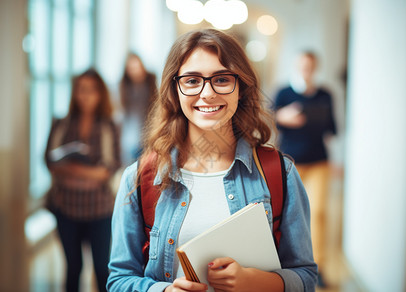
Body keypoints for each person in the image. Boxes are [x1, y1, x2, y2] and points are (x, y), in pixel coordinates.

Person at [107, 29, 317, 292]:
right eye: (192, 81)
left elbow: (306, 278)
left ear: (240, 87)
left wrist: (256, 282)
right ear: (175, 90)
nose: (207, 93)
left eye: (221, 79)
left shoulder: (280, 173)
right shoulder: (140, 178)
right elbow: (118, 279)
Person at [45, 68, 121, 292]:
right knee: (72, 267)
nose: (85, 95)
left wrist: (71, 169)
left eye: (91, 90)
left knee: (101, 267)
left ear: (101, 94)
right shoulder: (61, 123)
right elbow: (50, 161)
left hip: (99, 209)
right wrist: (89, 172)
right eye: (81, 89)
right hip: (66, 207)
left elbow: (109, 168)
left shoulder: (109, 126)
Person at [274, 51, 337, 287]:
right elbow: (268, 120)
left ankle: (317, 265)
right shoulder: (283, 92)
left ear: (315, 67)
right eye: (302, 66)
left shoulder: (325, 95)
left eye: (310, 66)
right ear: (296, 66)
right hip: (290, 163)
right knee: (288, 215)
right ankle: (286, 263)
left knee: (318, 213)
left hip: (319, 161)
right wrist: (281, 117)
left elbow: (331, 128)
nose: (306, 70)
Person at [119, 53, 158, 166]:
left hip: (148, 132)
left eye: (136, 67)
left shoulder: (151, 84)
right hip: (130, 135)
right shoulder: (124, 87)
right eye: (131, 68)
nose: (135, 71)